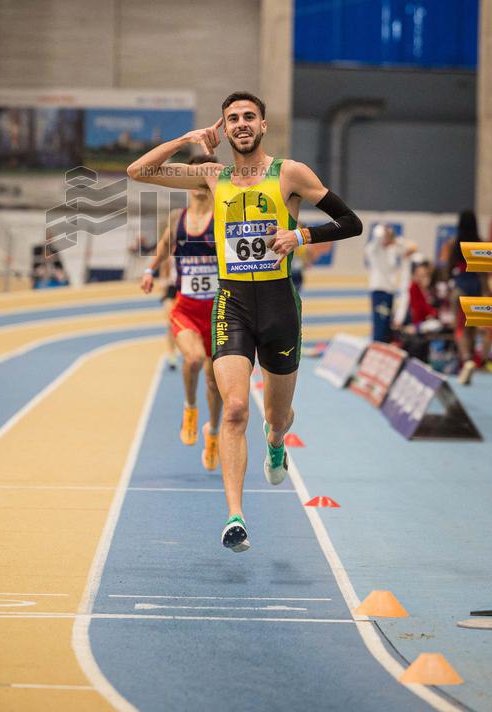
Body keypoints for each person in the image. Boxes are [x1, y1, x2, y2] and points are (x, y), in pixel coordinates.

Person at [128, 92, 363, 553]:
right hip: (231, 302)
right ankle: (235, 517)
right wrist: (185, 138)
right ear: (223, 127)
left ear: (263, 125)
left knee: (276, 415)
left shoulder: (289, 173)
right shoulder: (212, 176)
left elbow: (350, 221)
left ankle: (276, 443)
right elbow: (137, 172)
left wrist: (301, 234)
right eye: (232, 118)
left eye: (248, 117)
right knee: (235, 408)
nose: (240, 124)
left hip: (279, 306)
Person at [141, 155, 222, 469]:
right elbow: (163, 247)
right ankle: (190, 408)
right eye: (196, 178)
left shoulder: (224, 216)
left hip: (219, 312)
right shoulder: (177, 218)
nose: (201, 185)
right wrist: (150, 270)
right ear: (187, 181)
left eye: (207, 178)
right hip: (186, 308)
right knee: (193, 360)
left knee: (215, 382)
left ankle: (213, 433)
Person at [448, 210, 488, 385]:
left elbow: (448, 269)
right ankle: (472, 358)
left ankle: (466, 360)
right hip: (476, 286)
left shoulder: (454, 244)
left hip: (460, 287)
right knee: (471, 326)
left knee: (459, 327)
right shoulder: (480, 244)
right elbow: (484, 273)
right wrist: (486, 292)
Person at [364, 224, 417, 343]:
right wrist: (386, 231)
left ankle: (384, 347)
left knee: (387, 326)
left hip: (389, 293)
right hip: (379, 292)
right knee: (380, 326)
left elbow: (411, 247)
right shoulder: (373, 249)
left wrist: (394, 239)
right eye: (387, 236)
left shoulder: (391, 250)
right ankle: (378, 348)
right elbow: (378, 234)